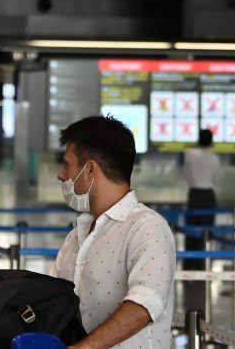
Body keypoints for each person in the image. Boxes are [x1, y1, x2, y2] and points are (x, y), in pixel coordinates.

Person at [49, 115, 176, 349]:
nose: (61, 175)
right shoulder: (76, 236)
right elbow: (50, 300)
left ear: (89, 170)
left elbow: (143, 306)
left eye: (67, 164)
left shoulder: (147, 227)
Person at [182, 129, 223, 259]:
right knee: (205, 232)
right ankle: (202, 266)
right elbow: (217, 179)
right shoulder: (214, 158)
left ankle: (189, 267)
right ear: (211, 141)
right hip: (208, 196)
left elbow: (185, 174)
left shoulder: (189, 154)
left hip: (194, 194)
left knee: (191, 231)